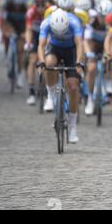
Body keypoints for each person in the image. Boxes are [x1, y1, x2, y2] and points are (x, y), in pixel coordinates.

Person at [37, 9, 84, 143]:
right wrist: (41, 62)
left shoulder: (74, 22)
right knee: (49, 63)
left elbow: (79, 44)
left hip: (71, 50)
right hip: (54, 48)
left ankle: (73, 127)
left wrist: (79, 62)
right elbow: (41, 45)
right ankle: (51, 95)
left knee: (73, 87)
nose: (60, 34)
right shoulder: (46, 23)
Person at [83, 0, 112, 116]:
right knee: (91, 68)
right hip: (94, 47)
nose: (104, 19)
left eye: (107, 16)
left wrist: (110, 54)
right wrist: (89, 54)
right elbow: (86, 41)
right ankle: (90, 98)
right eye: (101, 16)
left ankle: (108, 86)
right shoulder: (91, 22)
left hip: (108, 47)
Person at [24, 0, 48, 105]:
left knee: (46, 61)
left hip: (46, 36)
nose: (40, 8)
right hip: (34, 36)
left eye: (42, 5)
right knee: (33, 60)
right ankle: (31, 91)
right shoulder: (31, 11)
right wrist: (28, 43)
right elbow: (28, 29)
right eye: (37, 5)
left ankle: (48, 89)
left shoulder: (50, 11)